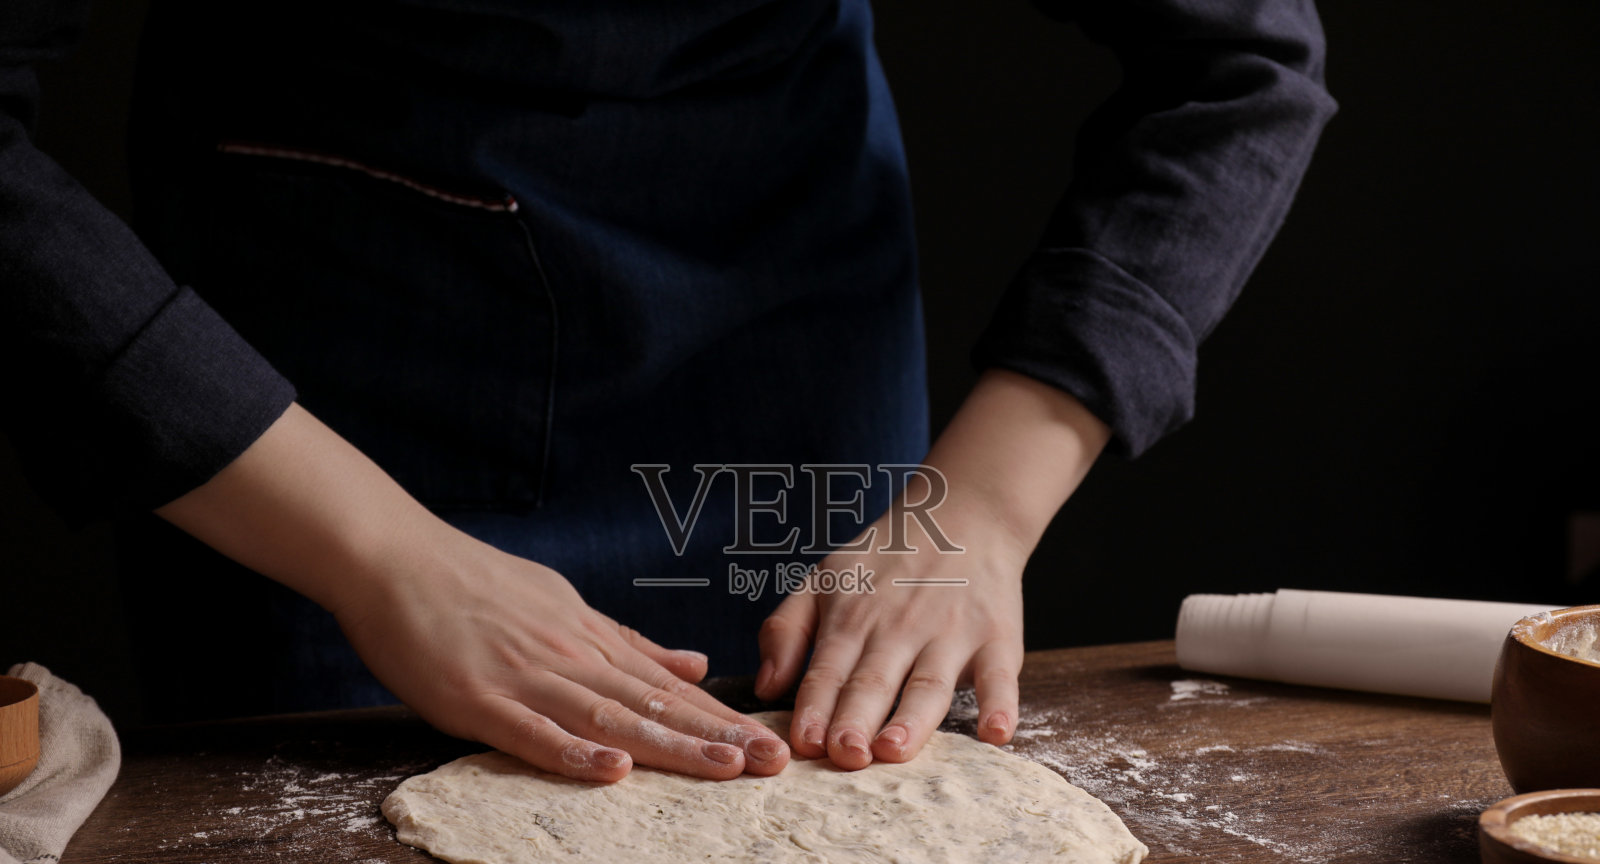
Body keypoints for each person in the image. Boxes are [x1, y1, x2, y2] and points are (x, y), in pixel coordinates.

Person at [2, 1, 1335, 781]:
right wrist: (378, 554)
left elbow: (1240, 60)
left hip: (784, 395)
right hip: (319, 431)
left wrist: (983, 502)